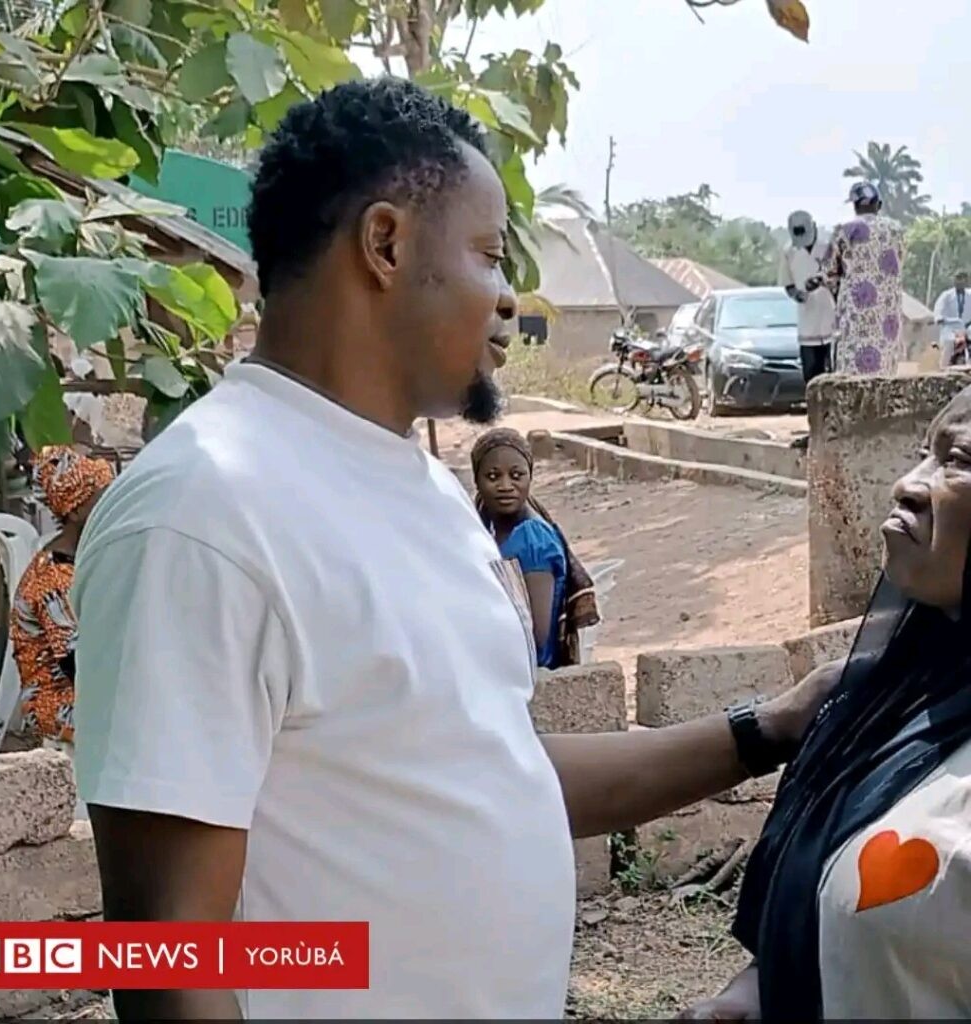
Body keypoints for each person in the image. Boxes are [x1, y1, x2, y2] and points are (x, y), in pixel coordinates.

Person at [71, 78, 837, 1021]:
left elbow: (495, 769)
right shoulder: (204, 517)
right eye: (489, 254)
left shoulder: (426, 489)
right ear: (385, 244)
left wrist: (767, 731)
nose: (510, 299)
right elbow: (169, 960)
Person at [681, 384, 971, 1021]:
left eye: (960, 461)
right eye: (923, 453)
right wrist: (752, 995)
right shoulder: (881, 700)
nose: (909, 484)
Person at [11, 446, 113, 752]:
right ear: (76, 511)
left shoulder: (80, 560)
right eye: (103, 499)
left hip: (81, 687)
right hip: (57, 700)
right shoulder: (54, 578)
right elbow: (79, 665)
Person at [471, 428, 597, 669]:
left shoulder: (532, 540)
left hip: (530, 671)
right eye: (493, 476)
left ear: (530, 476)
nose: (505, 485)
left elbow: (536, 638)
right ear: (477, 480)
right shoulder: (493, 527)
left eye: (516, 475)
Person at [822, 182, 906, 376]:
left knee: (851, 375)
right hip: (888, 316)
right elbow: (899, 263)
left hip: (855, 316)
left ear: (855, 205)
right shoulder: (896, 230)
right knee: (885, 372)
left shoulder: (844, 230)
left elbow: (828, 272)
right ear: (879, 205)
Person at [778, 210, 836, 384]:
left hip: (832, 319)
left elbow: (841, 276)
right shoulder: (789, 251)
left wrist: (824, 282)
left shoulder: (829, 246)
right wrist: (797, 295)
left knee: (833, 373)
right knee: (811, 376)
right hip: (807, 322)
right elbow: (787, 284)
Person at [934, 270, 971, 368]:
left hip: (967, 328)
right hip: (950, 327)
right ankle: (943, 367)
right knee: (949, 342)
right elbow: (938, 312)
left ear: (967, 281)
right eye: (957, 278)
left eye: (962, 279)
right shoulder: (946, 296)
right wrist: (941, 318)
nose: (959, 281)